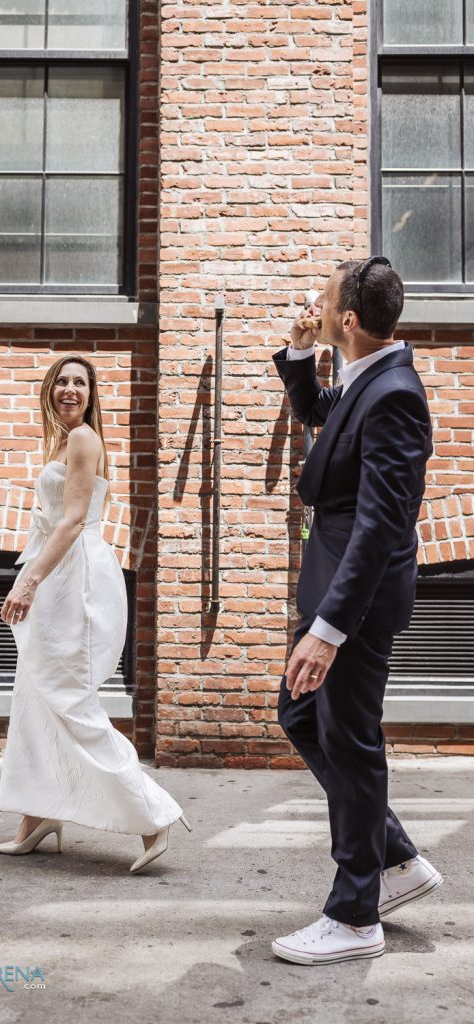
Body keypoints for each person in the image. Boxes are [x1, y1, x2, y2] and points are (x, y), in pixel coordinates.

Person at [270, 257, 443, 965]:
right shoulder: (364, 376)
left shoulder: (394, 394)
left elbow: (379, 526)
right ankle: (394, 857)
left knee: (350, 743)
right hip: (334, 585)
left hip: (356, 601)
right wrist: (298, 355)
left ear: (347, 319)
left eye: (322, 301)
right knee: (301, 715)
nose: (312, 306)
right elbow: (322, 417)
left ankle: (354, 916)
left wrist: (329, 631)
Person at [0, 355, 190, 873]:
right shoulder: (63, 440)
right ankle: (37, 816)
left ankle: (153, 817)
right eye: (62, 381)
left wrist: (28, 581)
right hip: (58, 575)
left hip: (74, 581)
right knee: (36, 696)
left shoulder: (82, 439)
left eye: (80, 382)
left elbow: (74, 520)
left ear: (91, 393)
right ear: (49, 390)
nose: (70, 389)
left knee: (71, 701)